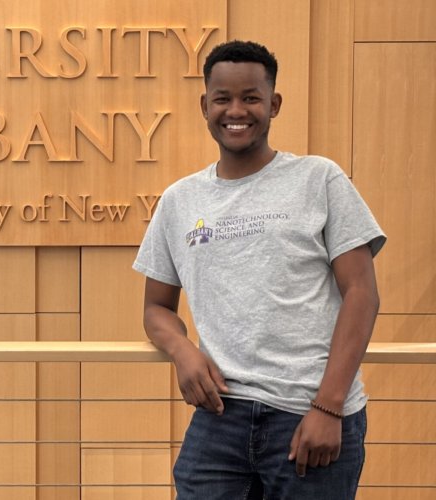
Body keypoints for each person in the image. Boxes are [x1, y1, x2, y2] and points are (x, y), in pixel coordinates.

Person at [132, 40, 385, 499]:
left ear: (274, 104)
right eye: (222, 98)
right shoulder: (179, 200)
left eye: (251, 97)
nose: (237, 110)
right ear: (204, 105)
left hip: (310, 414)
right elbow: (156, 307)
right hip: (219, 418)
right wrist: (182, 350)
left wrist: (328, 409)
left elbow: (362, 295)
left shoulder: (318, 179)